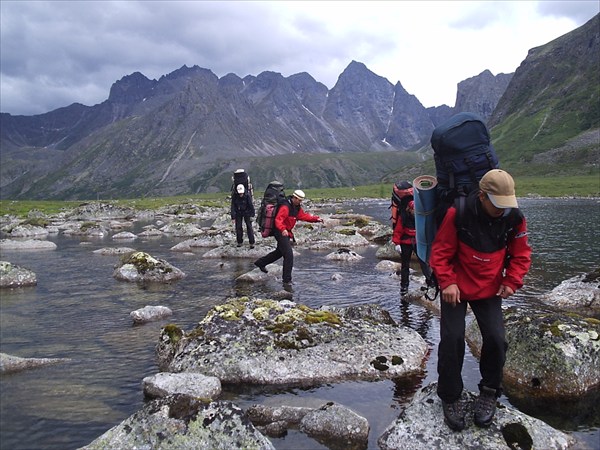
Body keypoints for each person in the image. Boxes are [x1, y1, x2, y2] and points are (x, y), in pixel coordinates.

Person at [430, 169, 531, 432]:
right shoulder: (458, 213)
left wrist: (512, 281)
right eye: (497, 205)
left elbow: (521, 255)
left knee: (497, 340)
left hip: (490, 288)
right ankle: (450, 396)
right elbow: (440, 253)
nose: (502, 210)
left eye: (506, 204)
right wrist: (447, 281)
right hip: (457, 287)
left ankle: (489, 392)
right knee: (452, 339)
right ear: (482, 196)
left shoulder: (514, 218)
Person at [254, 189, 323, 286]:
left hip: (285, 232)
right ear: (294, 198)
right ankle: (287, 280)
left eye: (301, 200)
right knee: (289, 255)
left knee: (279, 252)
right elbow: (278, 220)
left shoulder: (296, 207)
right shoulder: (286, 207)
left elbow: (303, 216)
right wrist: (283, 229)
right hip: (280, 231)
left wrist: (316, 219)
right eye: (299, 200)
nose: (300, 202)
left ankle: (260, 262)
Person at [392, 199, 434, 299]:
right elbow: (398, 230)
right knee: (405, 265)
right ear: (409, 209)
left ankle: (431, 283)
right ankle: (404, 287)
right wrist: (397, 243)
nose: (415, 212)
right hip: (406, 243)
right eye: (413, 210)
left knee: (423, 262)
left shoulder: (420, 216)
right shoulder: (403, 217)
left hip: (417, 242)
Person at [231, 184, 255, 248]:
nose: (240, 194)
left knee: (249, 227)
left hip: (247, 212)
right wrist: (233, 217)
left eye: (241, 193)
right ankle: (239, 242)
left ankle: (252, 242)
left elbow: (250, 205)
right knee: (238, 227)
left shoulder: (247, 195)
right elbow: (233, 206)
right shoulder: (235, 196)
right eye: (239, 193)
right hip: (238, 212)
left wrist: (252, 214)